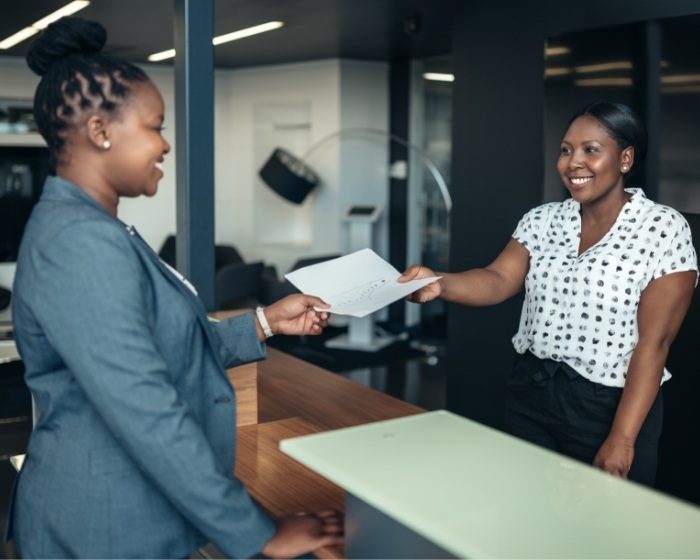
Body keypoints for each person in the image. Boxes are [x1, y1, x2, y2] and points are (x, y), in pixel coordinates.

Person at [5, 17, 342, 559]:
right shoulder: (79, 243)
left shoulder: (96, 230)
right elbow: (145, 407)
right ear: (100, 132)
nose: (165, 145)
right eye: (155, 126)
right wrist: (257, 531)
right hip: (101, 526)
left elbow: (157, 350)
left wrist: (264, 321)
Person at [401, 101, 697, 486]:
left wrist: (622, 439)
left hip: (609, 405)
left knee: (605, 533)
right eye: (566, 149)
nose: (573, 162)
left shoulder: (662, 229)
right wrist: (438, 282)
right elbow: (498, 279)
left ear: (625, 159)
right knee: (529, 512)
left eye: (591, 150)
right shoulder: (542, 220)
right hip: (532, 389)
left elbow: (654, 344)